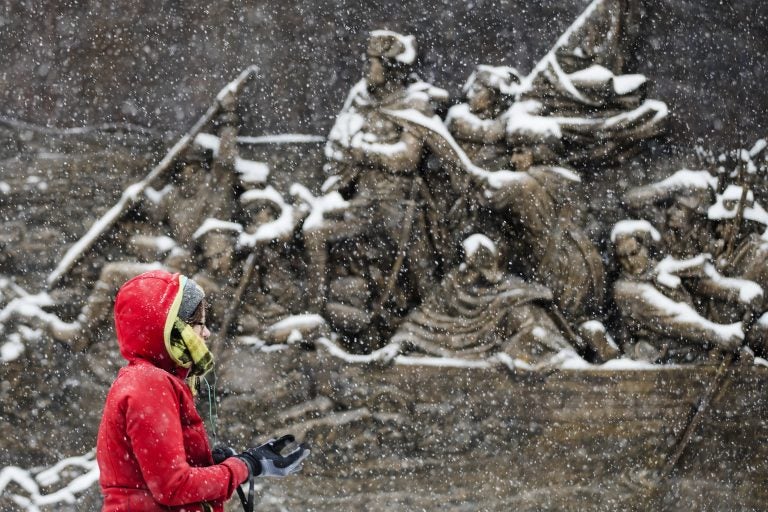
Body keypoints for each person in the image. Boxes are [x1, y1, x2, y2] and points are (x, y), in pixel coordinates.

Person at [96, 269, 309, 511]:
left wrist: (213, 464)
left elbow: (154, 476)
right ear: (170, 327)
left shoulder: (147, 380)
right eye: (199, 324)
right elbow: (174, 488)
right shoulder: (149, 384)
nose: (206, 333)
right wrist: (246, 466)